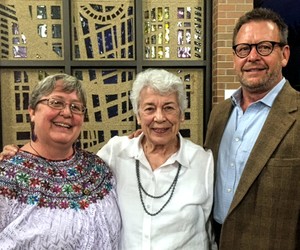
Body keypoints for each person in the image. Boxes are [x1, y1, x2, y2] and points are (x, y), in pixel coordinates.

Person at [1, 69, 216, 250]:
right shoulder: (116, 152)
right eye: (149, 108)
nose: (159, 117)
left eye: (169, 107)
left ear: (182, 115)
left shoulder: (203, 163)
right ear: (138, 116)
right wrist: (15, 158)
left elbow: (210, 229)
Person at [204, 8, 300, 249]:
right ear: (235, 57)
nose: (253, 57)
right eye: (244, 49)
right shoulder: (219, 114)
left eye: (264, 47)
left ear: (284, 54)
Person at [0, 74, 121, 249]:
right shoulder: (7, 176)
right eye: (56, 103)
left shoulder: (98, 168)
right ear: (32, 111)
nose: (66, 113)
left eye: (76, 107)